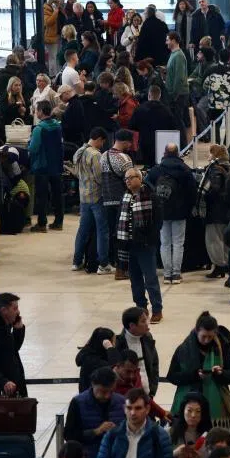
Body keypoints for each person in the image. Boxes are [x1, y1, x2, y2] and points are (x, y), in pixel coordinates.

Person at [167, 311, 230, 424]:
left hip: (216, 406)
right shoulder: (183, 349)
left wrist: (221, 374)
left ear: (215, 333)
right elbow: (172, 376)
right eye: (203, 336)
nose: (206, 340)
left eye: (210, 337)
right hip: (189, 402)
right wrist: (194, 375)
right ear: (197, 331)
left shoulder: (222, 348)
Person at [95, 388, 175, 458]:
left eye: (138, 408)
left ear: (147, 409)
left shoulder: (160, 435)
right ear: (124, 409)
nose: (132, 413)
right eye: (129, 408)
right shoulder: (112, 435)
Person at [144, 143, 195, 285]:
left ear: (165, 153)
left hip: (161, 211)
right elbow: (192, 191)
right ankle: (176, 274)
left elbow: (146, 183)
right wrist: (189, 207)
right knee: (178, 243)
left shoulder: (157, 170)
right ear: (178, 153)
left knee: (164, 243)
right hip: (180, 212)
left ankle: (167, 275)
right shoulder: (184, 170)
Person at [118, 168, 163, 322]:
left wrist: (150, 239)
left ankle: (157, 309)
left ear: (140, 178)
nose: (128, 181)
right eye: (126, 179)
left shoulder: (150, 196)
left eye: (131, 178)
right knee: (135, 280)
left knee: (150, 279)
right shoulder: (125, 197)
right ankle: (141, 308)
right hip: (129, 246)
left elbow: (157, 222)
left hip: (145, 245)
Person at [64, 367, 126, 458]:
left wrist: (119, 431)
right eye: (102, 391)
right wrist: (95, 432)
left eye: (110, 391)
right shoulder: (78, 403)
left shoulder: (121, 402)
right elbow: (69, 435)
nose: (107, 396)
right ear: (93, 384)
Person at [71, 127, 112, 275]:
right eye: (102, 142)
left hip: (83, 196)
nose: (102, 145)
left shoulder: (79, 151)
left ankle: (76, 261)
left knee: (83, 230)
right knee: (103, 230)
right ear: (99, 139)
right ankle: (103, 264)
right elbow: (99, 177)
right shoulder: (95, 155)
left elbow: (76, 173)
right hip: (96, 196)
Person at [101, 130, 134, 279]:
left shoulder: (103, 156)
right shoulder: (124, 158)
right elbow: (131, 182)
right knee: (123, 234)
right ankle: (122, 266)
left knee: (111, 233)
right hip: (122, 201)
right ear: (126, 142)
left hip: (107, 200)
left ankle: (112, 261)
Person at [28, 101, 64, 232]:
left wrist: (28, 143)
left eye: (37, 110)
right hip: (56, 165)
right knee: (57, 194)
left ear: (42, 111)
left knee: (41, 195)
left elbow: (33, 148)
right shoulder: (58, 126)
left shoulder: (39, 128)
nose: (36, 113)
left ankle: (42, 223)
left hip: (42, 166)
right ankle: (59, 222)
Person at [114, 307, 160, 398]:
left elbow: (154, 365)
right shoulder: (118, 344)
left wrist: (152, 391)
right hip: (126, 398)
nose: (147, 324)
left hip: (148, 396)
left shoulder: (148, 337)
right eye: (143, 321)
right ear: (132, 326)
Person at [169, 392, 212, 458]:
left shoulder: (209, 436)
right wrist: (175, 454)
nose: (193, 415)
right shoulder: (170, 432)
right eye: (189, 410)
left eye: (198, 411)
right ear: (183, 410)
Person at [201, 145, 230, 279]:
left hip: (215, 210)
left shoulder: (215, 169)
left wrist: (205, 198)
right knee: (224, 239)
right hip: (226, 210)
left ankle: (219, 266)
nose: (208, 156)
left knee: (214, 239)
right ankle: (224, 263)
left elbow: (214, 189)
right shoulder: (229, 167)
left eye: (210, 153)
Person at [129, 85, 178, 168]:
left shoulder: (140, 109)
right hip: (162, 144)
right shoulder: (167, 110)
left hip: (145, 142)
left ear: (149, 95)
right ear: (160, 96)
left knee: (148, 166)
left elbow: (132, 125)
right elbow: (173, 127)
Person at [75, 327, 120, 393]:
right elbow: (117, 367)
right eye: (113, 342)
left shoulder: (87, 353)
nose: (114, 345)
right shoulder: (96, 362)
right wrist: (110, 348)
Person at [165, 31, 190, 142]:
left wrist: (174, 95)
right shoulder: (174, 54)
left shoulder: (178, 55)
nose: (166, 42)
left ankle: (183, 145)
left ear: (174, 40)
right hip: (175, 93)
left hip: (178, 94)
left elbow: (179, 78)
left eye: (168, 40)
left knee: (178, 120)